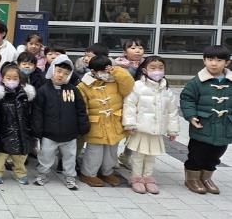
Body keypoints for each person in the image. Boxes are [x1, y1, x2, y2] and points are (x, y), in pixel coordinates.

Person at [180, 45, 232, 195]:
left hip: (225, 126)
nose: (214, 63)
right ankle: (192, 179)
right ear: (204, 60)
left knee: (216, 154)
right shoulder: (196, 82)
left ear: (227, 62)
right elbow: (187, 99)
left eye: (219, 60)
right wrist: (191, 116)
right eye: (210, 59)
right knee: (197, 154)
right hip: (203, 125)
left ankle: (206, 178)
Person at [122, 56, 179, 194]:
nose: (157, 71)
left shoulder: (166, 89)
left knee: (151, 156)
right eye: (153, 68)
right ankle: (136, 178)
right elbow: (129, 105)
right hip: (140, 129)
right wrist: (129, 124)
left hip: (157, 130)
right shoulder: (137, 86)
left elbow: (172, 111)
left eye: (160, 68)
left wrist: (173, 130)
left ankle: (147, 177)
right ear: (144, 70)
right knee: (138, 155)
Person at [32, 55, 89, 190]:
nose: (61, 75)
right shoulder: (43, 90)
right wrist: (37, 129)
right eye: (58, 71)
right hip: (49, 133)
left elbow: (81, 110)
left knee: (70, 157)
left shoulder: (73, 90)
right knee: (46, 156)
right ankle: (42, 174)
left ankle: (70, 177)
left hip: (70, 133)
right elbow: (37, 112)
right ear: (52, 70)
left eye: (66, 73)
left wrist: (83, 126)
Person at [77, 55, 134, 187]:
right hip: (95, 124)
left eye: (108, 70)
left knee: (111, 151)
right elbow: (82, 107)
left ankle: (107, 172)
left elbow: (129, 85)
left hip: (114, 122)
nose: (106, 73)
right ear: (93, 71)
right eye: (102, 71)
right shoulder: (83, 86)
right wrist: (83, 124)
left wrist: (117, 71)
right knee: (94, 152)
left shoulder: (115, 80)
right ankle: (88, 174)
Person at [0, 63, 35, 186]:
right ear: (2, 78)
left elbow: (30, 113)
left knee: (20, 156)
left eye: (15, 78)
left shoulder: (24, 95)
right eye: (8, 78)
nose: (12, 81)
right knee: (0, 155)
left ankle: (21, 173)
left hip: (21, 130)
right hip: (3, 130)